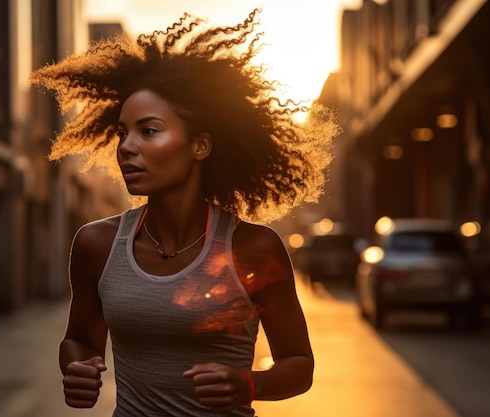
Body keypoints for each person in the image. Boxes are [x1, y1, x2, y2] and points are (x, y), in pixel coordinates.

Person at [30, 8, 338, 417]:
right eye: (123, 132)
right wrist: (77, 367)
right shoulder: (96, 244)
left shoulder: (253, 248)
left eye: (149, 131)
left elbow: (299, 365)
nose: (126, 147)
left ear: (200, 146)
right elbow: (80, 341)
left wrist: (251, 383)